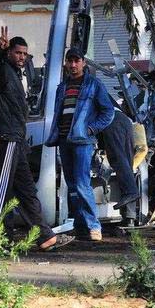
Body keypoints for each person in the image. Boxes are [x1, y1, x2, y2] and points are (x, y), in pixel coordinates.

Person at [0, 27, 73, 250]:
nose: (22, 57)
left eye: (24, 53)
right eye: (17, 53)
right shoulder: (3, 71)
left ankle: (45, 235)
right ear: (9, 53)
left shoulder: (17, 75)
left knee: (27, 189)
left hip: (18, 139)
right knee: (0, 189)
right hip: (7, 138)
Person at [45, 47, 114, 241]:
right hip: (64, 140)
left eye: (77, 61)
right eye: (70, 61)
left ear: (83, 62)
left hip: (83, 141)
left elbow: (108, 112)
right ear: (66, 63)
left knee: (83, 183)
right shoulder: (62, 87)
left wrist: (91, 129)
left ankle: (94, 226)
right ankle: (80, 226)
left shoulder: (94, 85)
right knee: (72, 185)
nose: (73, 65)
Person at [99, 109, 141, 227]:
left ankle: (131, 192)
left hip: (110, 121)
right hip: (123, 120)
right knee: (127, 164)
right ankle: (130, 217)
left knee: (118, 160)